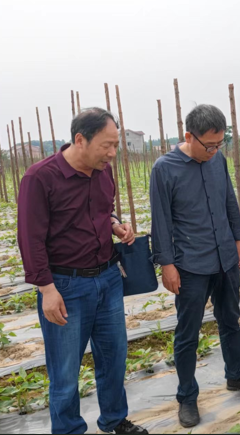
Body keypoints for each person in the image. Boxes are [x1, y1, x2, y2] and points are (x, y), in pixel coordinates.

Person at [17, 108, 147, 435]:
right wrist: (47, 290)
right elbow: (29, 239)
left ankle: (115, 420)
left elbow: (104, 212)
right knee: (64, 373)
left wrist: (116, 225)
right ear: (80, 140)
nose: (113, 154)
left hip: (107, 279)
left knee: (114, 359)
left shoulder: (103, 172)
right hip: (65, 285)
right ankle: (69, 430)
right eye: (106, 145)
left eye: (116, 145)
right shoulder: (40, 178)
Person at [150, 104, 240, 429]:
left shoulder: (218, 161)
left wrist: (239, 238)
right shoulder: (165, 169)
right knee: (188, 333)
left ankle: (237, 375)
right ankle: (187, 396)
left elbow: (229, 198)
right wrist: (166, 264)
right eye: (209, 145)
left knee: (230, 319)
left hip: (225, 257)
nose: (215, 151)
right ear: (188, 136)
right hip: (190, 264)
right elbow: (160, 221)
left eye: (220, 144)